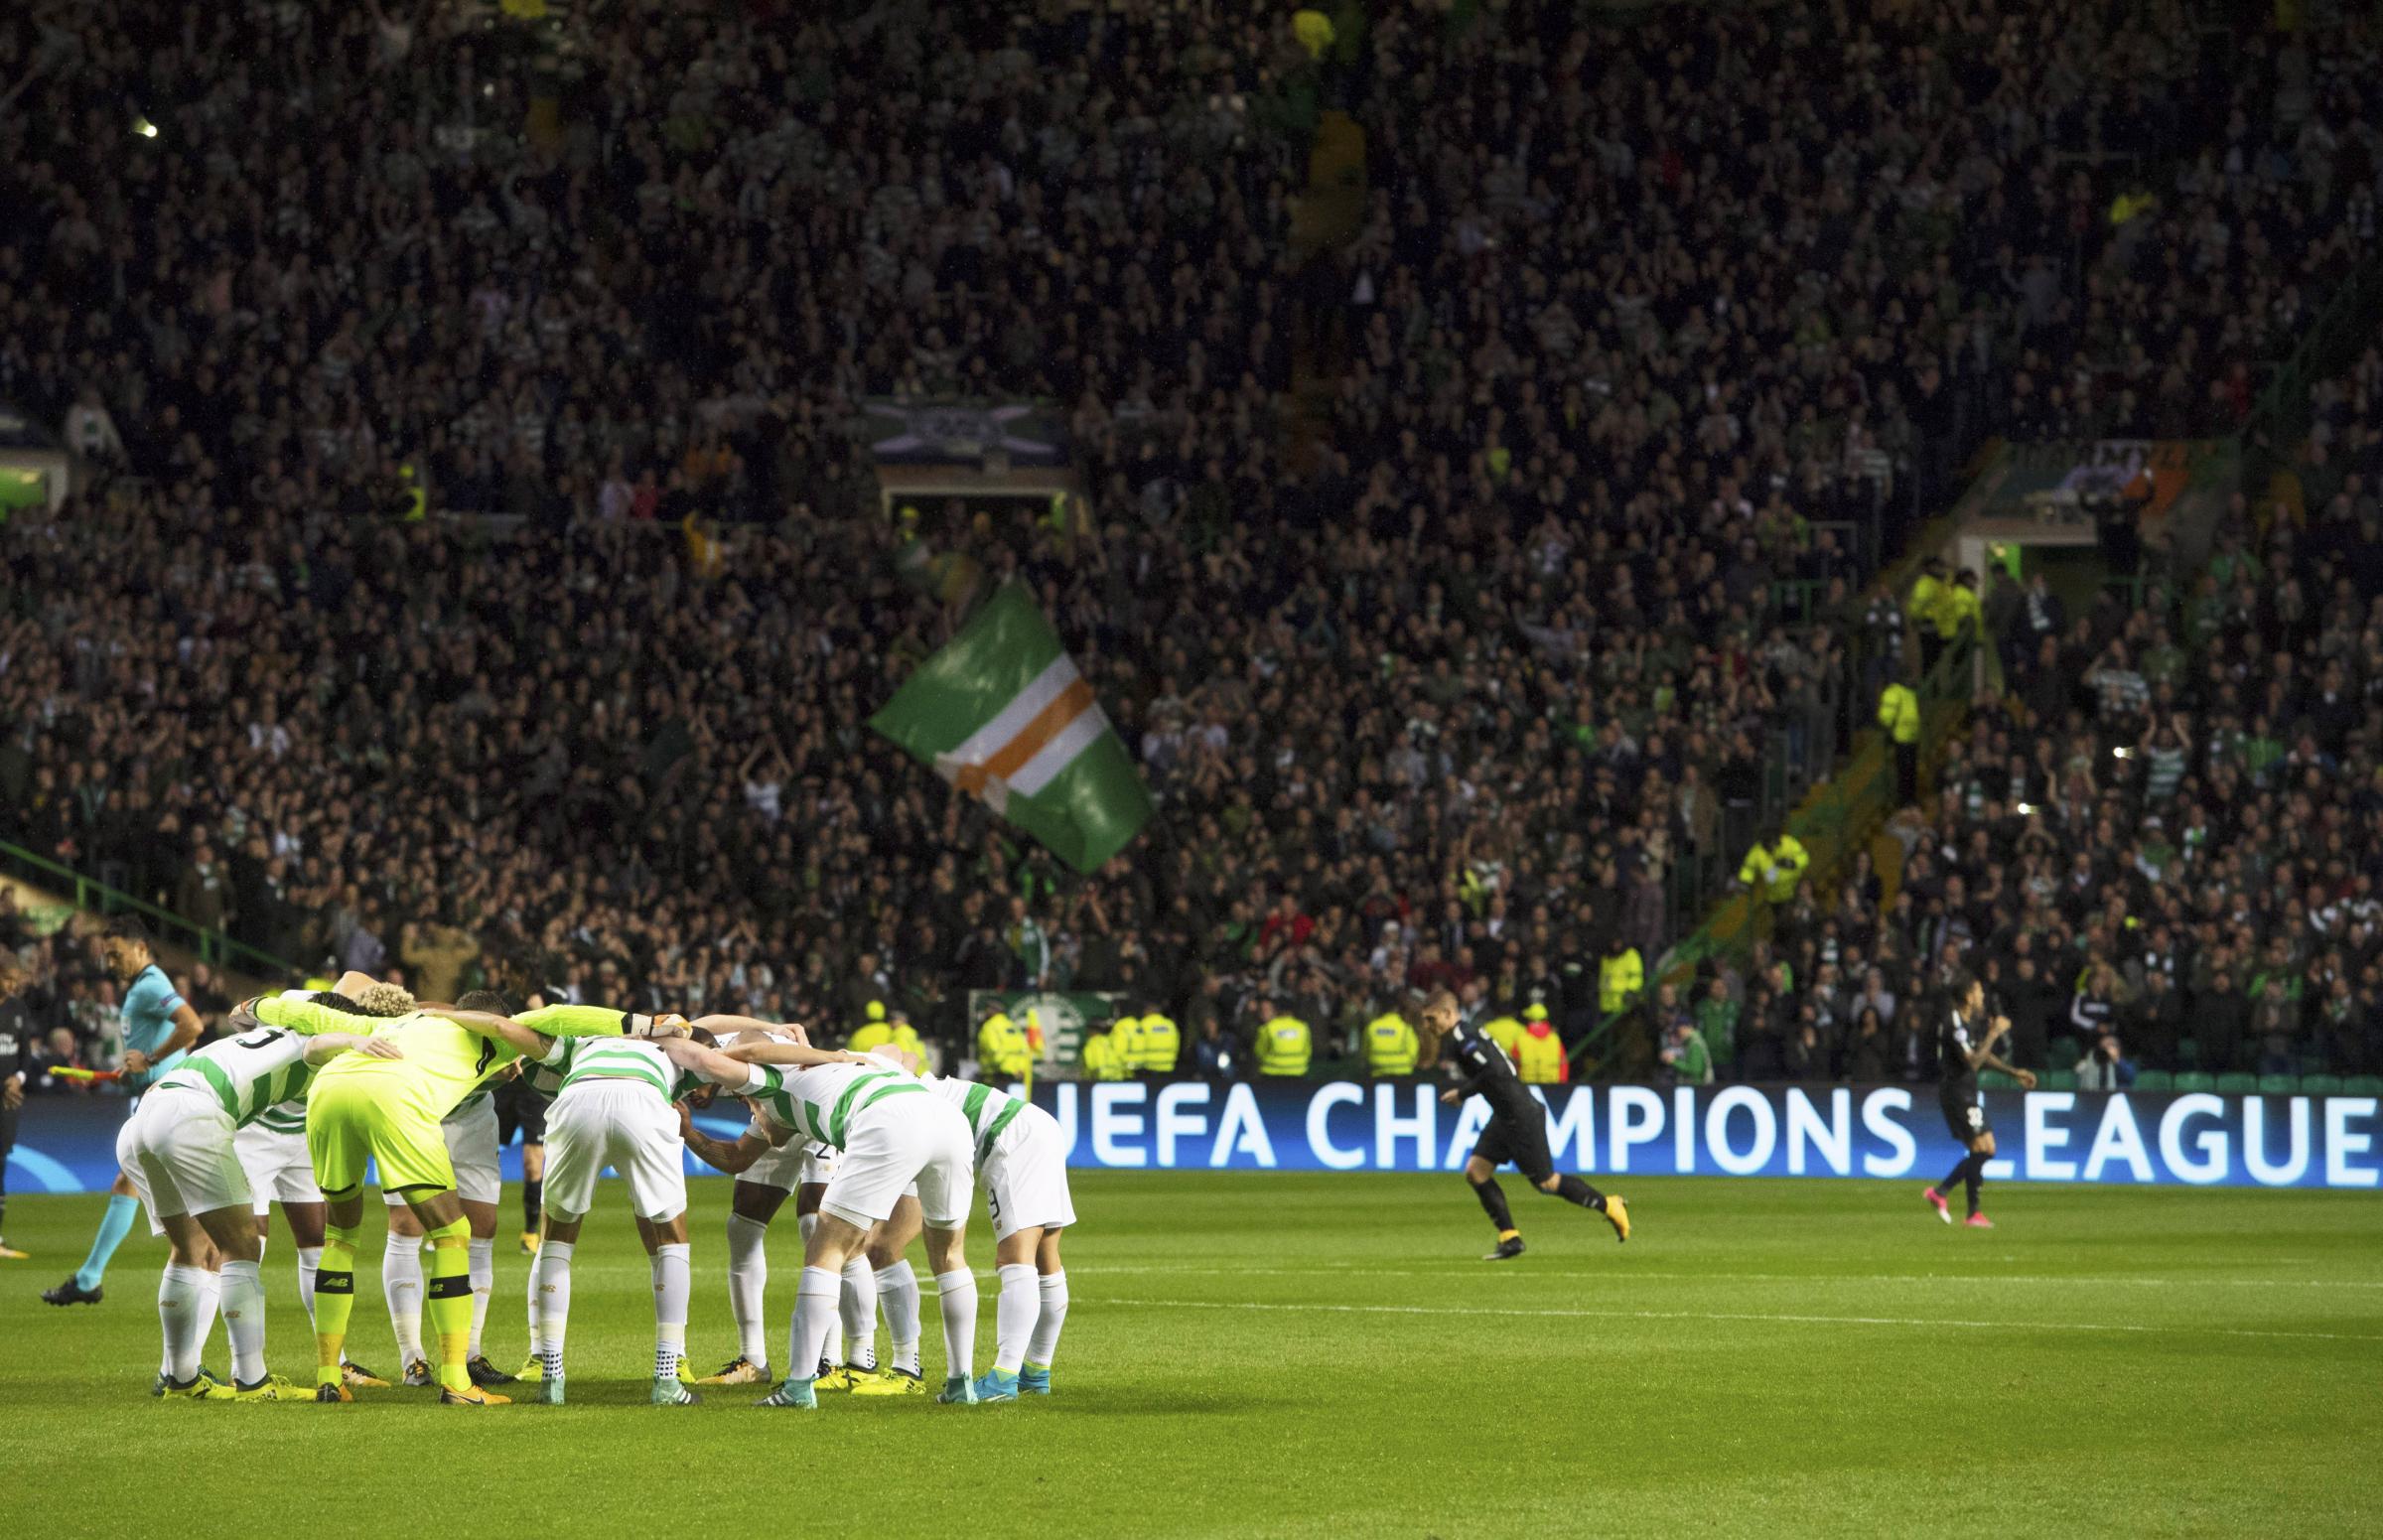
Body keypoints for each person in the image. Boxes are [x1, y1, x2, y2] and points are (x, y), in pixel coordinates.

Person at [257, 983, 650, 1403]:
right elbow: (563, 1015)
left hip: (330, 1091)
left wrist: (258, 1005)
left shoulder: (401, 1021)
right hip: (397, 1098)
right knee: (451, 1234)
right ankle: (456, 1381)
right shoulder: (502, 1031)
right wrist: (642, 1024)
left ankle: (329, 1379)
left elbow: (316, 1017)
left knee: (339, 1237)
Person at [123, 991, 399, 1399]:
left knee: (190, 1249)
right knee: (243, 1245)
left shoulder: (268, 1031)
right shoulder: (309, 1042)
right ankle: (253, 1381)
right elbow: (318, 1044)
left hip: (146, 1115)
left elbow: (242, 1017)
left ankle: (180, 1378)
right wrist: (355, 1040)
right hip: (192, 1114)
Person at [697, 1033, 985, 1408]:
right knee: (950, 1256)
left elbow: (715, 1058)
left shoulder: (772, 1082)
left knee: (826, 1249)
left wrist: (660, 1034)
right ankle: (961, 1384)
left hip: (886, 1119)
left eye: (744, 1100)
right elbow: (899, 1052)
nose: (748, 1108)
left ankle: (800, 1386)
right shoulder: (852, 1061)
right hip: (947, 1120)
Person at [677, 1025, 889, 1394]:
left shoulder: (731, 1050)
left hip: (813, 1110)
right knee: (741, 1227)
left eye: (691, 1077)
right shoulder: (703, 1062)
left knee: (821, 1227)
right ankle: (753, 1360)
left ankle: (845, 1359)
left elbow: (750, 1044)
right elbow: (737, 1158)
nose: (688, 1086)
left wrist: (831, 1056)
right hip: (774, 1113)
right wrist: (690, 1133)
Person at [871, 1046, 1075, 1402]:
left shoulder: (900, 1105)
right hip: (1037, 1125)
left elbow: (895, 1053)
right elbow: (904, 1054)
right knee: (1047, 1257)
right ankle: (1037, 1370)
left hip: (1011, 1137)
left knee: (1014, 1259)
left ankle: (1004, 1378)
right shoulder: (910, 1088)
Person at [521, 1030, 714, 1406]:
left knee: (556, 1239)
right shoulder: (673, 1047)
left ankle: (551, 1375)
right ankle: (666, 1377)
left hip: (577, 1098)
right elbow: (712, 1059)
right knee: (672, 1239)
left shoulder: (583, 1040)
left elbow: (530, 1064)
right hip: (642, 1099)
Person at [45, 917, 205, 1308]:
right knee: (129, 1184)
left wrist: (149, 1059)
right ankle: (89, 1278)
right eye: (107, 955)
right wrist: (130, 1073)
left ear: (141, 948)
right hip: (152, 1098)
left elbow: (192, 1026)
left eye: (116, 954)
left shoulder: (151, 984)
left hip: (167, 1103)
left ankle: (209, 1263)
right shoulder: (139, 988)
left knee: (160, 1192)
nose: (110, 962)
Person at [1416, 989, 1626, 1260]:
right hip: (1505, 1115)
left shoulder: (1462, 1038)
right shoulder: (1466, 1034)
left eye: (1431, 1019)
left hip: (1520, 1116)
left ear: (1448, 1013)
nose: (1428, 1026)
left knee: (1547, 1183)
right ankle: (1510, 1238)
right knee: (1476, 1171)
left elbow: (1496, 1071)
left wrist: (1462, 1093)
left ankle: (1609, 1204)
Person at [1922, 975, 2036, 1229]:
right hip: (1957, 1094)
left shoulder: (1966, 1022)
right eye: (1979, 991)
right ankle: (1944, 1193)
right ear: (1968, 996)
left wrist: (2013, 1071)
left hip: (1965, 1092)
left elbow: (1980, 1056)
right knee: (1985, 1149)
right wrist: (1994, 1032)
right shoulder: (1954, 1023)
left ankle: (1968, 1210)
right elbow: (1973, 1062)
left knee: (1982, 1149)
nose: (1982, 996)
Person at [1, 957, 33, 1259]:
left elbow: (26, 1055)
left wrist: (17, 1079)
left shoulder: (18, 1009)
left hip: (7, 1100)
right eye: (7, 978)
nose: (12, 985)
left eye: (15, 980)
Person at [1878, 670, 1921, 806]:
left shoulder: (1910, 692)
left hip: (1912, 739)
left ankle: (1910, 800)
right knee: (1904, 772)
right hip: (1900, 739)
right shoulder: (1894, 692)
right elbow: (1885, 716)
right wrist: (1890, 728)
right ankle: (1904, 801)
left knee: (1910, 772)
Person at [1513, 1004, 1567, 1084]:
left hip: (1526, 1085)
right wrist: (1561, 1085)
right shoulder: (1555, 1039)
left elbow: (1513, 1065)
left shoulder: (1520, 1039)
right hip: (1552, 1086)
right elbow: (1563, 1064)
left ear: (1530, 1020)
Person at [1363, 1007, 1418, 1077]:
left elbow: (1364, 1052)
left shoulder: (1372, 1027)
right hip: (1403, 1073)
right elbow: (1414, 1052)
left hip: (1377, 1073)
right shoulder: (1405, 1028)